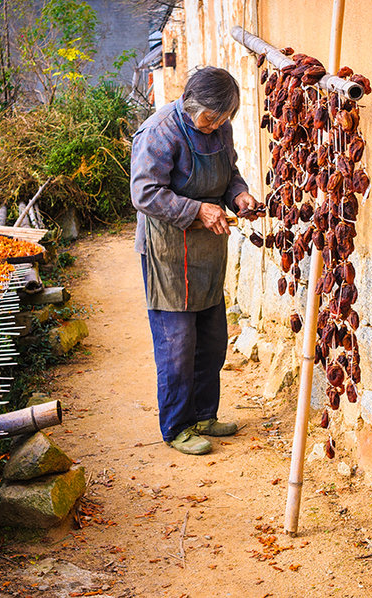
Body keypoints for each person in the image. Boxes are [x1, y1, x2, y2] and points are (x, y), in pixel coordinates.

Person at [131, 66, 260, 455]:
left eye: (223, 118)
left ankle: (205, 415)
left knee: (212, 339)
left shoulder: (219, 128)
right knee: (177, 345)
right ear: (190, 105)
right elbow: (145, 192)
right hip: (168, 251)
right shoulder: (160, 132)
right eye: (209, 118)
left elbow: (230, 173)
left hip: (207, 251)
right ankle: (177, 427)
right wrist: (198, 210)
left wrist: (239, 196)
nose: (215, 125)